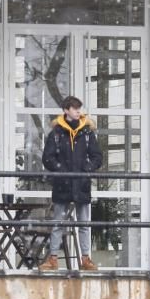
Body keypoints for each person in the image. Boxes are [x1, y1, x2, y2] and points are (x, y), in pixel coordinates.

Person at [39, 95, 103, 271]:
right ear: (66, 110)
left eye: (79, 109)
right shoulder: (57, 133)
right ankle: (53, 258)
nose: (78, 112)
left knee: (83, 223)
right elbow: (48, 158)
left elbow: (98, 157)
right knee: (58, 222)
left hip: (81, 183)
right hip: (63, 184)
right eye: (75, 108)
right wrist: (61, 170)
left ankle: (85, 259)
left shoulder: (87, 133)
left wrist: (87, 168)